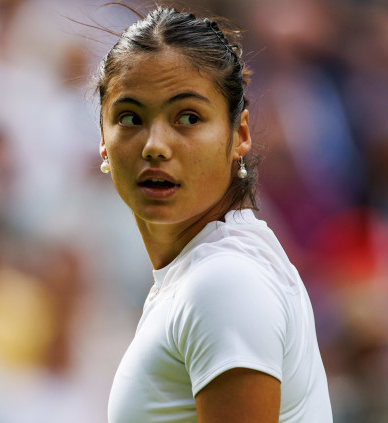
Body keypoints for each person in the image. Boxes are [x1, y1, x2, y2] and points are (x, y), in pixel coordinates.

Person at [96, 6, 333, 422]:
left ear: (239, 134)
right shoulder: (211, 271)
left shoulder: (224, 281)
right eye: (130, 117)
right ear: (103, 139)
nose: (155, 146)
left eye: (188, 117)